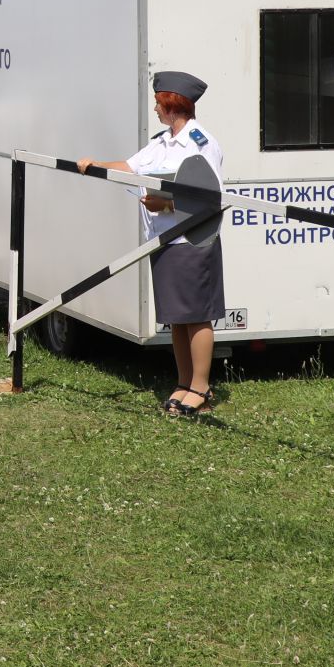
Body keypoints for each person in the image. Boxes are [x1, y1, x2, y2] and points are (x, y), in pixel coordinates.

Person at [78, 71, 225, 418]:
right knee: (177, 317)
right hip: (164, 240)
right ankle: (184, 382)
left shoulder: (200, 143)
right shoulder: (162, 142)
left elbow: (210, 196)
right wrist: (96, 165)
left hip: (191, 239)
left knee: (197, 316)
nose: (156, 109)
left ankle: (201, 388)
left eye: (159, 103)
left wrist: (168, 204)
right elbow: (131, 167)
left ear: (173, 104)